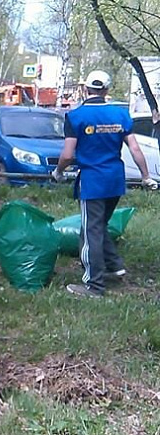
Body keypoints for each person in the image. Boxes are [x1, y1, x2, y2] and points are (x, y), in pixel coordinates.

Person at [53, 70, 158, 297]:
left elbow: (68, 154)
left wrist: (58, 171)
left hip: (92, 182)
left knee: (91, 232)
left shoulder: (76, 116)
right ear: (107, 90)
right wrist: (145, 176)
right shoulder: (120, 115)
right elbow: (135, 148)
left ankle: (94, 285)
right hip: (115, 180)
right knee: (98, 225)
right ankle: (115, 265)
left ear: (86, 89)